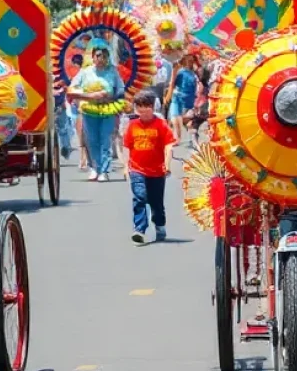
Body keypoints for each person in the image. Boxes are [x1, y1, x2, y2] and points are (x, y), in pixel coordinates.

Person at [66, 38, 125, 182]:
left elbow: (121, 89)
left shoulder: (113, 72)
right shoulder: (85, 72)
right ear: (92, 57)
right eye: (98, 55)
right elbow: (71, 90)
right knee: (92, 140)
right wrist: (89, 95)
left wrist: (110, 97)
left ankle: (104, 170)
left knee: (105, 140)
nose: (101, 59)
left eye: (104, 56)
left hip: (107, 110)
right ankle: (94, 168)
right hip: (89, 110)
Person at [124, 89, 177, 244]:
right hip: (137, 169)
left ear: (153, 107)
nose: (144, 110)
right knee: (139, 198)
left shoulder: (161, 124)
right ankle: (139, 229)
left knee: (156, 203)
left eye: (147, 106)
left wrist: (167, 164)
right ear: (136, 108)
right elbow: (127, 146)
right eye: (140, 106)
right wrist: (125, 166)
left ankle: (160, 225)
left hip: (157, 171)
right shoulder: (132, 125)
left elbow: (168, 145)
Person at [167, 55, 199, 143]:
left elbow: (195, 88)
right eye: (189, 61)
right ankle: (176, 138)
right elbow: (173, 83)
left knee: (182, 119)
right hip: (177, 98)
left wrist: (195, 99)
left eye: (191, 61)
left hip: (187, 100)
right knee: (175, 118)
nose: (190, 63)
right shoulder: (181, 72)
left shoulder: (193, 74)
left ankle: (185, 133)